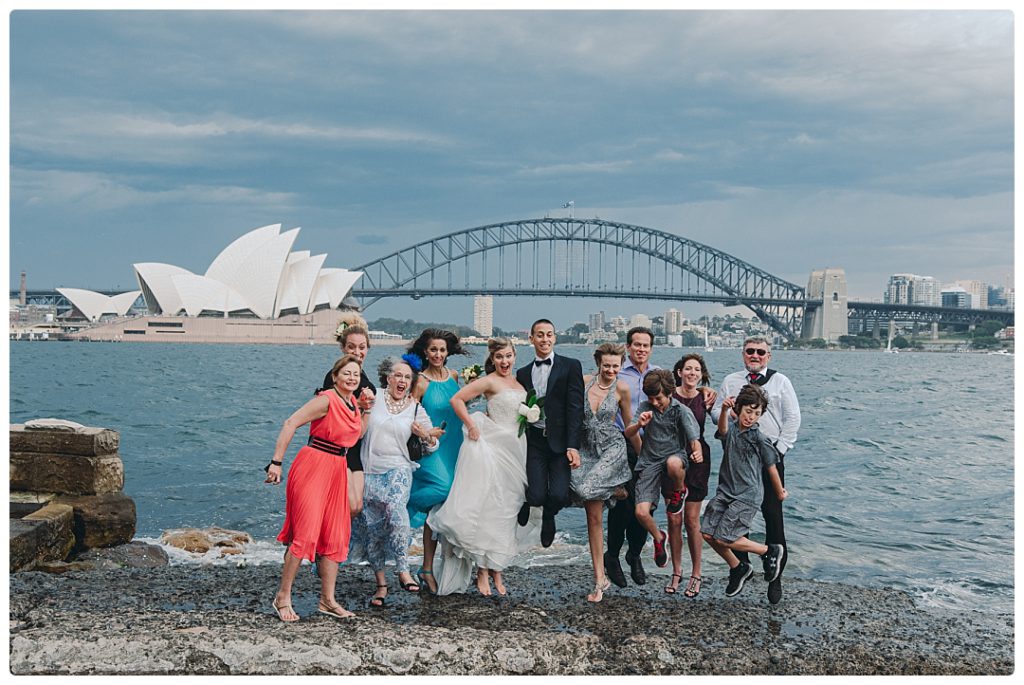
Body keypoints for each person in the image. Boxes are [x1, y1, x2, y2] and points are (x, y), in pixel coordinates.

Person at [267, 354, 372, 622]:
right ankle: (283, 596)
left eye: (356, 375)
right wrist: (276, 463)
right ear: (335, 376)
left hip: (338, 468)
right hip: (313, 465)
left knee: (334, 535)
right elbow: (290, 423)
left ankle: (327, 600)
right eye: (346, 373)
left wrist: (367, 409)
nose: (351, 378)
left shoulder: (353, 404)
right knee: (305, 533)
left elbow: (356, 435)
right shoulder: (326, 399)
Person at [428, 337, 529, 596]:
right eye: (499, 357)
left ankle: (497, 570)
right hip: (495, 448)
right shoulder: (489, 381)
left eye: (508, 356)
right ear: (492, 360)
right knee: (491, 507)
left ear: (514, 355)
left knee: (509, 508)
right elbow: (458, 400)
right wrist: (472, 425)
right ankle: (482, 571)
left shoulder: (518, 383)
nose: (504, 361)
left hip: (517, 448)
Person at [710, 335, 801, 605]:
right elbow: (716, 414)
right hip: (738, 460)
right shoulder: (731, 381)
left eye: (761, 352)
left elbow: (793, 418)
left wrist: (779, 450)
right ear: (743, 354)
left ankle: (776, 578)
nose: (755, 355)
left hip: (768, 455)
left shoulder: (780, 381)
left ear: (768, 356)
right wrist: (727, 411)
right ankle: (740, 568)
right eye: (750, 351)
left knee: (773, 515)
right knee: (737, 515)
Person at [348, 356, 443, 607]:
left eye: (407, 377)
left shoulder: (415, 408)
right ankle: (381, 586)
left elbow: (433, 445)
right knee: (373, 530)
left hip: (399, 470)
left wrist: (425, 436)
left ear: (412, 383)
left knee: (396, 511)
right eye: (397, 375)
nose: (401, 380)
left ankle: (403, 567)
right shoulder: (374, 397)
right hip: (369, 472)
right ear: (388, 378)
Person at [702, 384, 786, 598]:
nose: (751, 417)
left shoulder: (760, 439)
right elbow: (721, 431)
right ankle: (739, 567)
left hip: (747, 495)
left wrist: (779, 492)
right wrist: (722, 410)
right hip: (725, 491)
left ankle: (768, 551)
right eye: (748, 411)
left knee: (724, 538)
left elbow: (771, 468)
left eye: (757, 413)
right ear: (738, 409)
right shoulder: (731, 428)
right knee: (707, 533)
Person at [571, 342, 639, 602]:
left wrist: (643, 456)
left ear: (622, 365)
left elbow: (629, 425)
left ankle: (615, 486)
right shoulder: (584, 382)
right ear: (598, 363)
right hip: (585, 448)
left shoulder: (622, 388)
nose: (611, 370)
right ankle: (600, 578)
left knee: (587, 490)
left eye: (616, 366)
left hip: (612, 448)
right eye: (607, 365)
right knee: (593, 518)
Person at [406, 328, 469, 594]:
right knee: (441, 490)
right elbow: (407, 415)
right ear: (425, 351)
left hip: (455, 445)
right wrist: (424, 433)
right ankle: (403, 505)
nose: (438, 355)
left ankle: (429, 568)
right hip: (431, 449)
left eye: (442, 350)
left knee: (442, 509)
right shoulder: (419, 381)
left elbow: (461, 405)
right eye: (433, 350)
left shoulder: (455, 376)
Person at [624, 369, 701, 576]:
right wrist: (639, 424)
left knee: (674, 463)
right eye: (651, 398)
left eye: (658, 398)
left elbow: (694, 439)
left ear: (669, 393)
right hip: (649, 462)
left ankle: (679, 491)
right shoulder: (645, 408)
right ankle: (659, 538)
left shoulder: (681, 411)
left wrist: (697, 453)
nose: (655, 402)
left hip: (674, 456)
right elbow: (628, 432)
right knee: (640, 512)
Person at [515, 319, 585, 548]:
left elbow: (576, 408)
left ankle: (548, 516)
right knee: (535, 495)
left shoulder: (571, 365)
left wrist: (573, 446)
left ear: (555, 338)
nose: (545, 339)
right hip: (534, 440)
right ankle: (528, 503)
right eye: (540, 335)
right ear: (531, 339)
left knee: (558, 495)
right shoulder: (523, 373)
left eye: (549, 335)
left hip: (560, 443)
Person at [606, 326, 658, 587]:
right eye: (636, 344)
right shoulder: (616, 373)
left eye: (645, 345)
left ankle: (634, 553)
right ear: (628, 347)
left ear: (651, 348)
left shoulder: (658, 375)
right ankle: (612, 555)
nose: (641, 349)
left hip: (651, 446)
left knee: (646, 505)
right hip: (620, 444)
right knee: (623, 504)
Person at [319, 313, 377, 518]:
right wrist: (357, 405)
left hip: (356, 450)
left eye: (362, 347)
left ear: (368, 348)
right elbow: (332, 413)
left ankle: (340, 546)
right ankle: (326, 545)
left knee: (356, 506)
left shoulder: (366, 380)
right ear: (343, 348)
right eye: (351, 347)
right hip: (335, 450)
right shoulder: (334, 377)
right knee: (344, 504)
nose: (357, 351)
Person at [669, 353, 717, 597]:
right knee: (674, 520)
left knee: (691, 520)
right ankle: (676, 572)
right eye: (688, 369)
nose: (692, 373)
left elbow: (719, 420)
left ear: (701, 374)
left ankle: (696, 573)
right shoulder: (669, 396)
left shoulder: (705, 398)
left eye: (697, 370)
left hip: (699, 460)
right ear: (679, 372)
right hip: (672, 460)